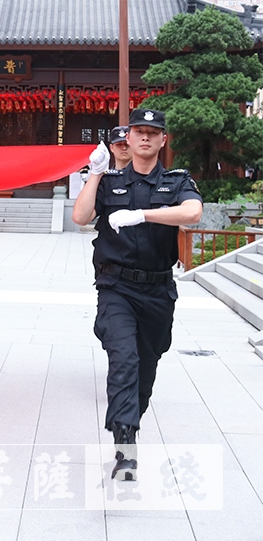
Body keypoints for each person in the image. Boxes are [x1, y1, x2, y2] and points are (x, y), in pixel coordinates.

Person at [71, 109, 203, 481]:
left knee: (146, 365)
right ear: (126, 140)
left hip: (158, 290)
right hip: (116, 288)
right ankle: (125, 444)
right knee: (123, 358)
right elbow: (80, 217)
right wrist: (95, 174)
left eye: (153, 133)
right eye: (138, 132)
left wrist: (144, 215)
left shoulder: (176, 181)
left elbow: (193, 213)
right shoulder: (110, 182)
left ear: (163, 141)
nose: (145, 138)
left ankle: (130, 419)